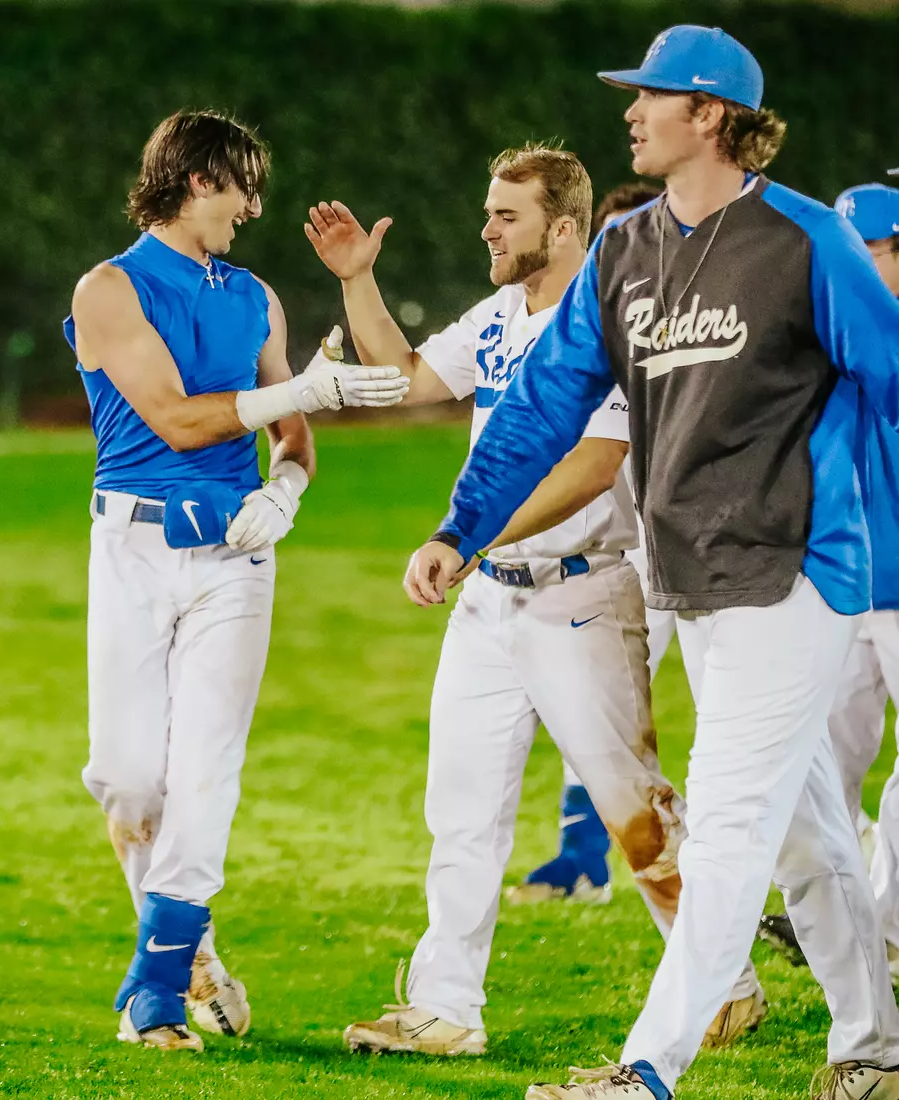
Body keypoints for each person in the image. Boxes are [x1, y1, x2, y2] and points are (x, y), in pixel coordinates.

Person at [402, 25, 899, 1100]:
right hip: (691, 579)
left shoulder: (807, 241)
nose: (629, 110)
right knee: (806, 829)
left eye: (651, 94)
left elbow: (893, 377)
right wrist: (461, 525)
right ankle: (871, 1046)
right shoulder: (625, 253)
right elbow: (540, 406)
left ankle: (646, 1067)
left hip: (796, 572)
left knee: (725, 821)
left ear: (711, 114)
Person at [305, 143, 762, 1057]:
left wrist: (473, 534)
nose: (486, 228)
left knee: (636, 817)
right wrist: (359, 280)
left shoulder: (613, 315)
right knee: (462, 807)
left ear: (563, 227)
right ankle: (446, 1008)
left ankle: (723, 979)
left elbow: (598, 466)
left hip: (584, 596)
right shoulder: (500, 313)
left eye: (505, 215)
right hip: (489, 604)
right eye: (489, 211)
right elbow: (404, 379)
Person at [64, 109, 409, 1053]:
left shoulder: (255, 295)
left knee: (206, 770)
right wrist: (303, 390)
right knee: (129, 780)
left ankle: (157, 988)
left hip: (235, 559)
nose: (253, 209)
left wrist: (286, 494)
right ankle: (192, 942)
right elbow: (178, 421)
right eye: (244, 187)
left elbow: (289, 441)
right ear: (198, 180)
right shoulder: (110, 288)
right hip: (132, 549)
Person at [509, 181, 668, 907]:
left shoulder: (689, 323)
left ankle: (834, 862)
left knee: (770, 737)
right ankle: (582, 854)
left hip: (705, 553)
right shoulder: (589, 326)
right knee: (599, 719)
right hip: (629, 551)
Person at [758, 182, 899, 980]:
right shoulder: (821, 335)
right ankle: (845, 934)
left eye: (873, 249)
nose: (858, 264)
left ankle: (892, 929)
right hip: (840, 585)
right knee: (823, 766)